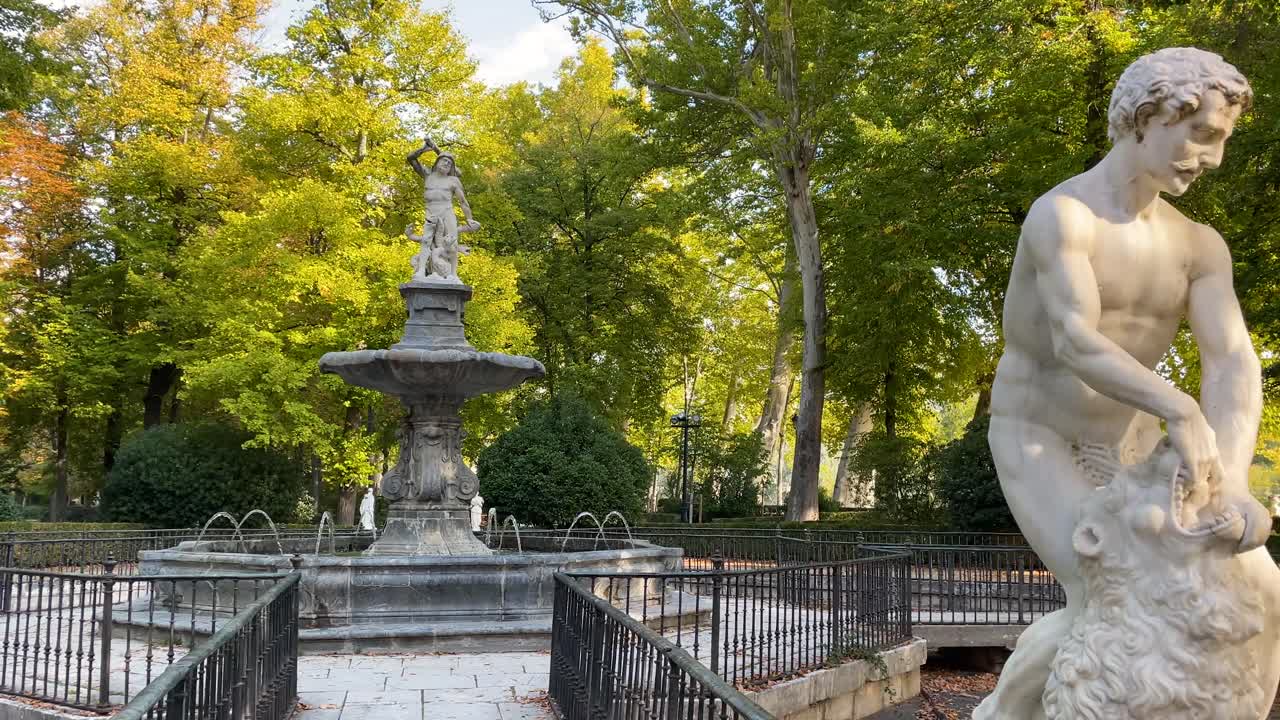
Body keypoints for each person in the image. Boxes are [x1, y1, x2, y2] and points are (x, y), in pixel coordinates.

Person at [975, 47, 1280, 719]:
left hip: (1133, 442)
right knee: (1105, 595)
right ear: (1147, 117)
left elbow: (1232, 360)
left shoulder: (1200, 246)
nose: (1213, 158)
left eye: (1221, 141)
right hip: (1041, 434)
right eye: (1202, 135)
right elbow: (1075, 340)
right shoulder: (1064, 217)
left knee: (1259, 582)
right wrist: (1180, 408)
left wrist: (1228, 478)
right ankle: (1002, 714)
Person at [406, 139, 480, 281]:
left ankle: (454, 275)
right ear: (437, 162)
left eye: (449, 163)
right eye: (443, 160)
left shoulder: (453, 181)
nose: (446, 163)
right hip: (431, 213)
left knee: (452, 242)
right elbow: (411, 158)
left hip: (447, 212)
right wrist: (425, 149)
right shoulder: (427, 174)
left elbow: (463, 202)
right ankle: (421, 271)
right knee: (426, 241)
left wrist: (469, 219)